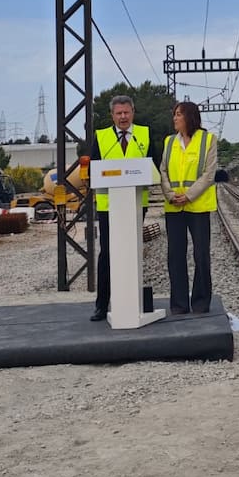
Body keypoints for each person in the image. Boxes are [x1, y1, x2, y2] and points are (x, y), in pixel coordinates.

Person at [74, 95, 155, 322]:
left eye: (126, 112)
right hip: (110, 207)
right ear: (112, 115)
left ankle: (132, 302)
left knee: (132, 252)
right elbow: (93, 171)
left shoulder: (145, 134)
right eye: (118, 113)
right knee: (107, 254)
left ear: (133, 112)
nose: (123, 117)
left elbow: (154, 166)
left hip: (137, 204)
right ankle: (102, 305)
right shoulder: (101, 137)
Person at [159, 101, 219, 315]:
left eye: (178, 115)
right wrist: (169, 193)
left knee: (201, 254)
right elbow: (163, 171)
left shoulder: (208, 140)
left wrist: (189, 196)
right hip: (174, 206)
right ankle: (179, 305)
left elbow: (209, 174)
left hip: (198, 206)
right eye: (174, 114)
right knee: (175, 255)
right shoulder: (169, 141)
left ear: (189, 117)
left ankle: (201, 302)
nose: (174, 118)